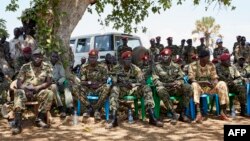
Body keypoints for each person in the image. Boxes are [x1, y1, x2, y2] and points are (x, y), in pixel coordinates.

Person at [106, 51, 163, 129]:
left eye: (130, 59)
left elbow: (142, 82)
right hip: (121, 90)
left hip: (134, 90)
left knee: (146, 87)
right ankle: (114, 119)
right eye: (126, 59)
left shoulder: (136, 69)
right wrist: (124, 84)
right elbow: (114, 82)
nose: (128, 61)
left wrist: (134, 84)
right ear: (122, 60)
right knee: (114, 89)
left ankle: (152, 117)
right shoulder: (116, 68)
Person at [11, 48, 54, 135]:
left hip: (39, 91)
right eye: (35, 56)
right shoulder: (25, 67)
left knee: (50, 93)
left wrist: (38, 87)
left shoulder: (47, 67)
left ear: (42, 57)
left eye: (39, 56)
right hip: (26, 91)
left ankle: (40, 119)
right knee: (18, 92)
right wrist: (26, 90)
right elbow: (19, 83)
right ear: (32, 56)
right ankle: (17, 124)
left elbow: (49, 82)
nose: (37, 58)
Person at [188, 49, 230, 123]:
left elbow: (215, 77)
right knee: (194, 85)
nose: (209, 59)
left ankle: (223, 111)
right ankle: (198, 113)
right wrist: (203, 82)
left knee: (222, 83)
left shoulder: (211, 65)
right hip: (199, 88)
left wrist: (214, 83)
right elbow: (192, 80)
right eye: (207, 57)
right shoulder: (192, 65)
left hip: (209, 88)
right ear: (202, 58)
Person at [154, 48, 193, 123]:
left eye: (167, 55)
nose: (165, 57)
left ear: (170, 56)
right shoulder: (157, 67)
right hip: (164, 88)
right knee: (160, 89)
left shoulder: (176, 66)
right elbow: (156, 81)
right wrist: (168, 84)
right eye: (163, 55)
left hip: (175, 88)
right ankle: (173, 113)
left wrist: (178, 83)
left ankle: (182, 113)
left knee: (188, 87)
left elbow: (181, 78)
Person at [78, 49, 110, 122]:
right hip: (88, 88)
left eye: (94, 57)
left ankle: (97, 110)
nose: (92, 59)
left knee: (107, 87)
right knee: (77, 87)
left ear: (97, 57)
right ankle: (89, 108)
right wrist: (90, 83)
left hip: (99, 87)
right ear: (88, 58)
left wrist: (99, 85)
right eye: (91, 57)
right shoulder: (84, 67)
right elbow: (82, 82)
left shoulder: (103, 66)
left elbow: (105, 80)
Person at [49, 51, 74, 118]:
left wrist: (58, 82)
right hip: (49, 84)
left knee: (67, 85)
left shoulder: (59, 65)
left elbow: (63, 76)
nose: (55, 58)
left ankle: (70, 107)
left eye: (56, 57)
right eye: (53, 56)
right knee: (54, 87)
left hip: (58, 83)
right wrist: (51, 82)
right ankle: (60, 107)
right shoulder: (46, 65)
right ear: (50, 57)